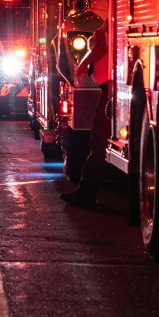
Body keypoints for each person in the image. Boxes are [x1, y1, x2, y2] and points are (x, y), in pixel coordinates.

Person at [60, 23, 111, 205]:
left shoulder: (109, 25)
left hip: (111, 88)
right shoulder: (110, 22)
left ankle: (86, 193)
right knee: (99, 142)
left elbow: (103, 45)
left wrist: (83, 64)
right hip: (109, 87)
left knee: (98, 141)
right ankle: (86, 191)